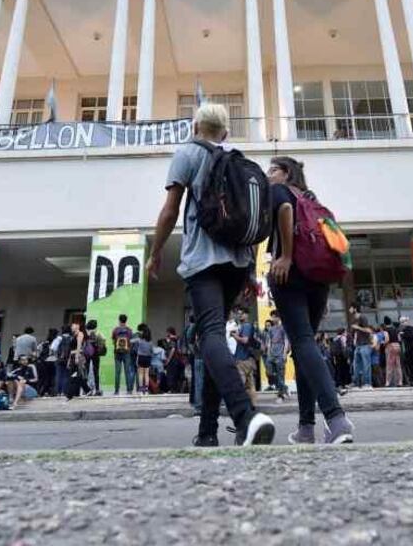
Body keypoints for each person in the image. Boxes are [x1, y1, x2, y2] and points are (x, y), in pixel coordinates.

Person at [146, 102, 274, 447]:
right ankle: (206, 433)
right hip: (237, 263)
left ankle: (246, 418)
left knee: (212, 333)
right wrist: (249, 270)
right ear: (225, 133)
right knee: (211, 340)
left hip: (203, 259)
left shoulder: (187, 153)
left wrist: (155, 252)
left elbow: (171, 210)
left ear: (194, 127)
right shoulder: (237, 158)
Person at [266, 155, 354, 444]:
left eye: (273, 170)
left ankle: (336, 419)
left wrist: (287, 256)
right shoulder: (313, 199)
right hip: (318, 279)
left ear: (286, 172)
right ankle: (306, 428)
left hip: (288, 274)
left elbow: (286, 210)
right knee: (305, 348)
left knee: (303, 343)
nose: (269, 175)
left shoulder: (281, 191)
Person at [230, 309, 257, 404]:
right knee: (250, 384)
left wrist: (234, 336)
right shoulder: (244, 326)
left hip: (243, 360)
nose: (239, 315)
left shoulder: (246, 326)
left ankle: (241, 405)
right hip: (247, 358)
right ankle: (253, 404)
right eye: (238, 313)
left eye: (241, 314)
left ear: (246, 315)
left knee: (240, 384)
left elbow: (245, 340)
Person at [265, 318, 290, 401]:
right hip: (271, 355)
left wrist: (284, 354)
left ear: (279, 318)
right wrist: (268, 353)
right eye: (272, 316)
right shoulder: (271, 329)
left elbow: (286, 341)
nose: (273, 318)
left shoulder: (283, 328)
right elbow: (269, 342)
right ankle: (284, 387)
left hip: (280, 355)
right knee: (269, 372)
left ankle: (281, 395)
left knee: (280, 375)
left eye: (275, 316)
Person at [349, 304, 373, 389]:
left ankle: (367, 383)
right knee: (356, 365)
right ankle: (356, 383)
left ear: (355, 308)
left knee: (366, 364)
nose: (349, 309)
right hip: (358, 345)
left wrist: (358, 327)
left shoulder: (362, 317)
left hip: (365, 344)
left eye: (351, 308)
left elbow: (368, 330)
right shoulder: (353, 319)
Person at [111, 314, 134, 396]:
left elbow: (113, 340)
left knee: (117, 372)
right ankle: (129, 390)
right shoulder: (129, 330)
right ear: (126, 320)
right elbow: (131, 341)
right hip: (127, 353)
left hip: (117, 353)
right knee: (127, 372)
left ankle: (116, 391)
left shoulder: (115, 330)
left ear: (119, 320)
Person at [85, 320, 104, 396]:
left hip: (87, 355)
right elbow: (102, 342)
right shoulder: (98, 333)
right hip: (95, 354)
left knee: (86, 371)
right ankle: (97, 389)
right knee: (96, 372)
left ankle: (87, 389)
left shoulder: (86, 334)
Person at [135, 323, 154, 396]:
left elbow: (138, 352)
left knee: (140, 374)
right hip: (148, 358)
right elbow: (152, 351)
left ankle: (140, 390)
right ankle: (146, 391)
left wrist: (137, 359)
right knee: (146, 374)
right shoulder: (150, 342)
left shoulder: (140, 341)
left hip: (141, 357)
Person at [384, 322, 403, 387]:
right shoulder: (397, 330)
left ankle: (388, 382)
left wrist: (384, 344)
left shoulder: (386, 330)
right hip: (397, 346)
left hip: (390, 346)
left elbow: (387, 339)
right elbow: (400, 339)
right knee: (398, 365)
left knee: (389, 365)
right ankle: (400, 382)